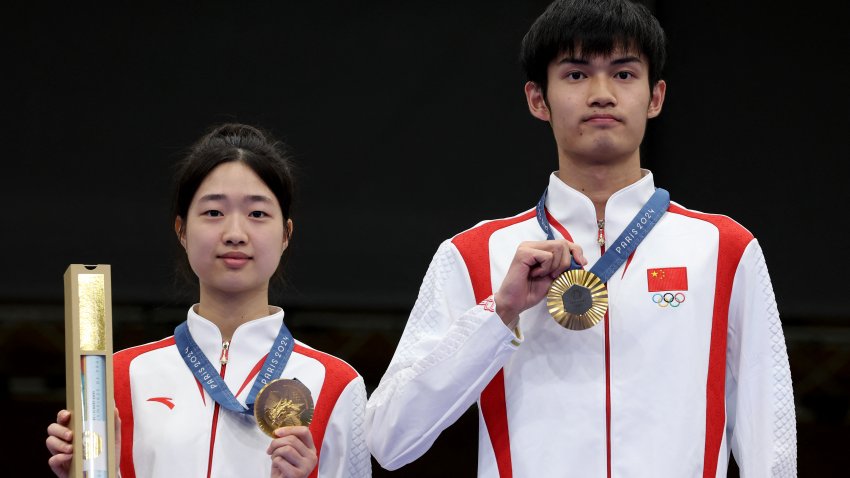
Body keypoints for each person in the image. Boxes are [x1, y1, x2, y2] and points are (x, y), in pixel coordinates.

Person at [365, 0, 796, 476]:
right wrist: (498, 314)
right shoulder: (473, 255)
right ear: (537, 99)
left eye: (624, 74)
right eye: (575, 75)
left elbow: (769, 446)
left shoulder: (724, 249)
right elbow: (388, 439)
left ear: (656, 97)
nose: (602, 94)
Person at [46, 123, 371, 478]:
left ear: (286, 234)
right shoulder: (118, 378)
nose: (234, 234)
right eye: (214, 212)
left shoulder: (337, 383)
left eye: (258, 214)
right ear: (182, 230)